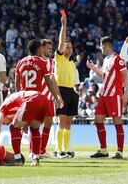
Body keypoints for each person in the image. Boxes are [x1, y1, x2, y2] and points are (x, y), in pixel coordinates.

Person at [14, 39, 64, 158]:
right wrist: (58, 97)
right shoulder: (42, 63)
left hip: (30, 97)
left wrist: (19, 97)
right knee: (34, 126)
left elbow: (17, 84)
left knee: (43, 124)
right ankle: (34, 152)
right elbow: (50, 82)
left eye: (51, 49)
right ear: (40, 48)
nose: (49, 50)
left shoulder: (22, 62)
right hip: (39, 97)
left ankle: (36, 151)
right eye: (47, 48)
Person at [87, 36, 128, 159]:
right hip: (104, 95)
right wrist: (93, 68)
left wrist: (126, 93)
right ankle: (104, 150)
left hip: (114, 95)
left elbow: (126, 76)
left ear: (107, 45)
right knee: (98, 120)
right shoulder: (106, 60)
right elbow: (104, 76)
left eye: (101, 45)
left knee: (117, 122)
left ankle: (120, 151)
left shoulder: (118, 59)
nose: (100, 48)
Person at [0, 90, 49, 166]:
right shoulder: (12, 107)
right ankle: (36, 158)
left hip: (33, 99)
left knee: (13, 127)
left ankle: (18, 159)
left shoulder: (2, 108)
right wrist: (26, 123)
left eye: (4, 123)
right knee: (34, 128)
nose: (5, 124)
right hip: (44, 99)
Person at [54, 14, 80, 158]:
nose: (68, 49)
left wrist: (76, 92)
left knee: (68, 124)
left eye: (70, 47)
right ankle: (59, 151)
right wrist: (64, 25)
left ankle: (65, 150)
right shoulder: (59, 59)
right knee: (61, 122)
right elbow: (61, 41)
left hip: (71, 92)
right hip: (61, 91)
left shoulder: (72, 63)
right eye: (66, 46)